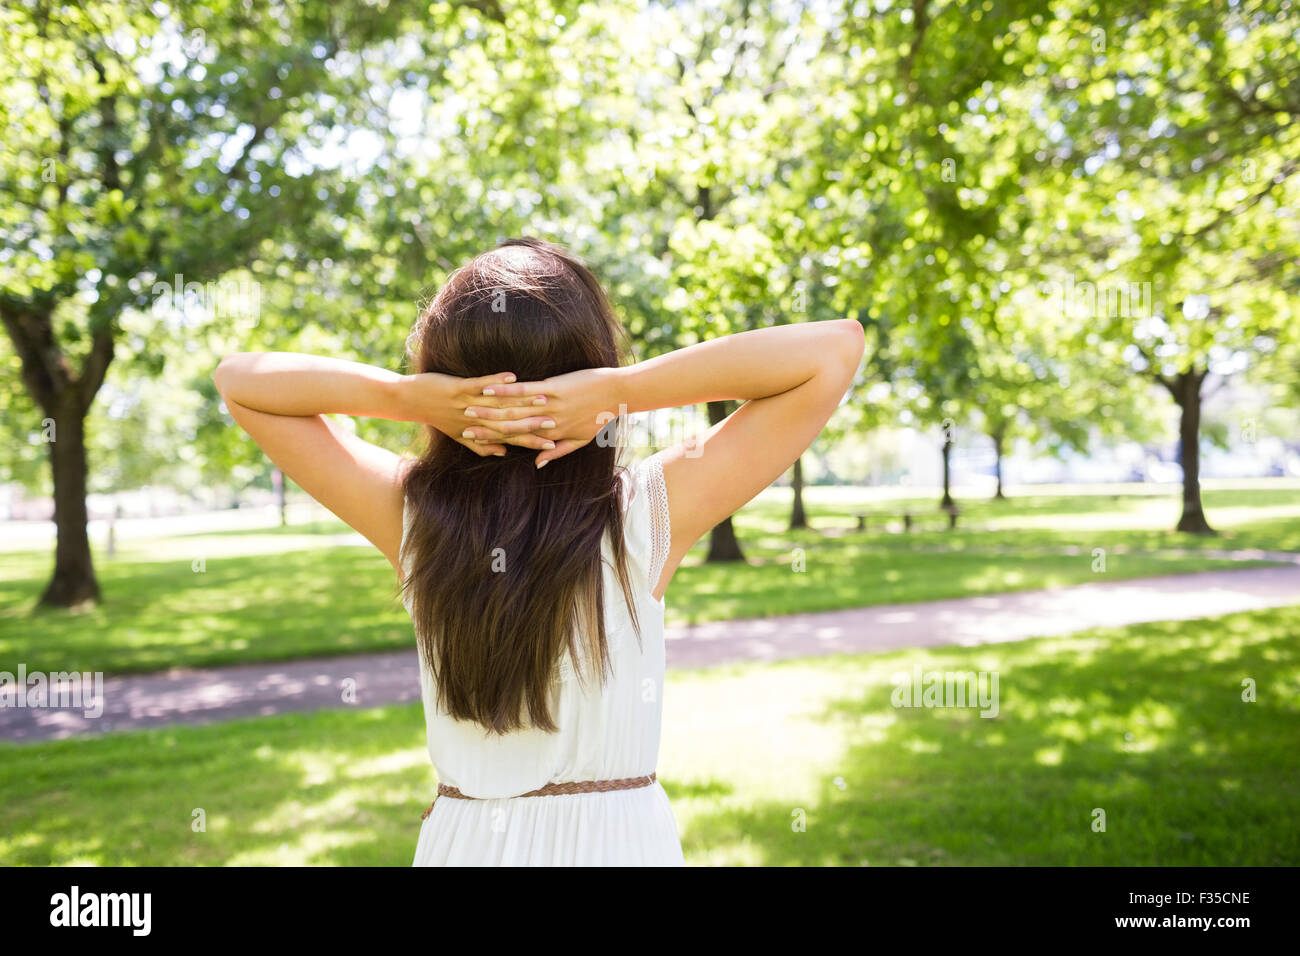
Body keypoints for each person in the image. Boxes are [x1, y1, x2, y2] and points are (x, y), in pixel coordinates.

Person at [213, 237, 864, 865]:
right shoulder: (640, 513)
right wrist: (623, 389)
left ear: (440, 374)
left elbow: (241, 381)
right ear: (591, 358)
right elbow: (832, 351)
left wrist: (401, 398)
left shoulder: (412, 515)